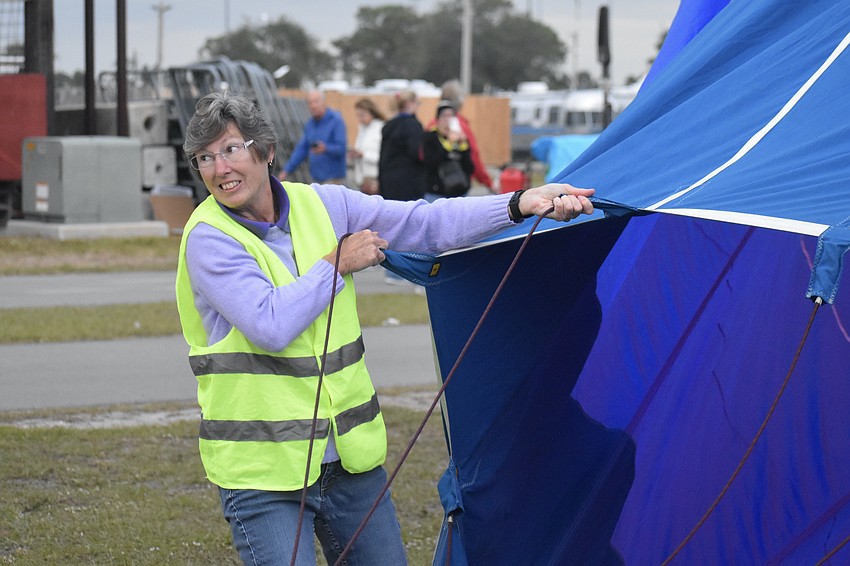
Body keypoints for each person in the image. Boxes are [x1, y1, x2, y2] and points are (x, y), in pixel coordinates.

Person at [176, 91, 594, 566]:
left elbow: (425, 224)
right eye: (205, 158)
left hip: (350, 462)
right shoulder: (208, 238)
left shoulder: (325, 205)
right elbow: (270, 324)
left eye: (230, 149)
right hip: (262, 472)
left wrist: (519, 204)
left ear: (267, 151)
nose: (220, 168)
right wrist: (336, 265)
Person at [427, 79, 495, 192]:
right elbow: (473, 157)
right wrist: (488, 182)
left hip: (433, 186)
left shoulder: (431, 126)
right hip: (456, 185)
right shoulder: (460, 126)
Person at [279, 90, 347, 184]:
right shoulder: (310, 125)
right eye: (310, 103)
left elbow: (342, 148)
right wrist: (286, 170)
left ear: (324, 102)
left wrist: (326, 148)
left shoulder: (336, 121)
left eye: (316, 102)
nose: (313, 106)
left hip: (333, 180)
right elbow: (302, 149)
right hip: (316, 179)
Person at [378, 90, 426, 202]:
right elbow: (417, 152)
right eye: (417, 103)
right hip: (408, 183)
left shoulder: (389, 125)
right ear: (409, 104)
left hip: (388, 181)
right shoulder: (412, 125)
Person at [422, 101, 475, 201]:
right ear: (437, 120)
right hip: (436, 192)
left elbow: (470, 168)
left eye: (451, 116)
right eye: (444, 116)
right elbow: (431, 163)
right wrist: (449, 144)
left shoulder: (460, 138)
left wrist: (463, 147)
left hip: (459, 191)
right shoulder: (430, 137)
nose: (448, 120)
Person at [348, 97, 385, 195]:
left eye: (363, 115)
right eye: (358, 116)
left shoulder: (380, 129)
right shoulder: (362, 129)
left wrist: (364, 155)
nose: (360, 119)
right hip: (362, 180)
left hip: (375, 179)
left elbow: (383, 157)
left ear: (371, 112)